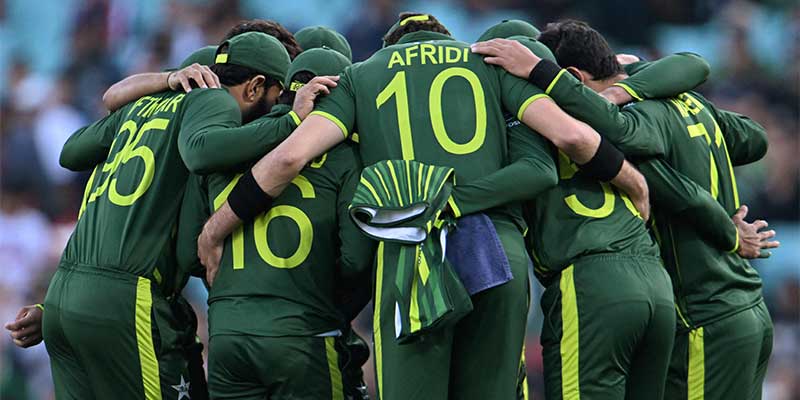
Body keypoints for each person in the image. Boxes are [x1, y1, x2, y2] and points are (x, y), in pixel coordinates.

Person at [197, 13, 649, 400]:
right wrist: (635, 183)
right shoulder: (489, 66)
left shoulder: (363, 75)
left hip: (410, 253)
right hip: (497, 252)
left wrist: (215, 229)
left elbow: (289, 158)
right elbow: (569, 140)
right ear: (447, 37)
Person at [473, 19, 779, 400]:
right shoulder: (682, 99)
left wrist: (730, 234)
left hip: (699, 316)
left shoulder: (622, 126)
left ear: (572, 77)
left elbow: (682, 193)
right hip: (733, 304)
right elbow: (750, 132)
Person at [35, 32, 290, 400]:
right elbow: (189, 250)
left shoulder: (141, 107)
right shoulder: (214, 105)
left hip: (62, 297)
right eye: (275, 97)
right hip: (127, 299)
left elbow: (71, 153)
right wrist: (289, 125)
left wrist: (161, 82)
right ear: (254, 88)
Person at [176, 47, 374, 400]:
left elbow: (189, 256)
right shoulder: (346, 157)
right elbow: (356, 261)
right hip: (304, 335)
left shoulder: (227, 146)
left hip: (227, 337)